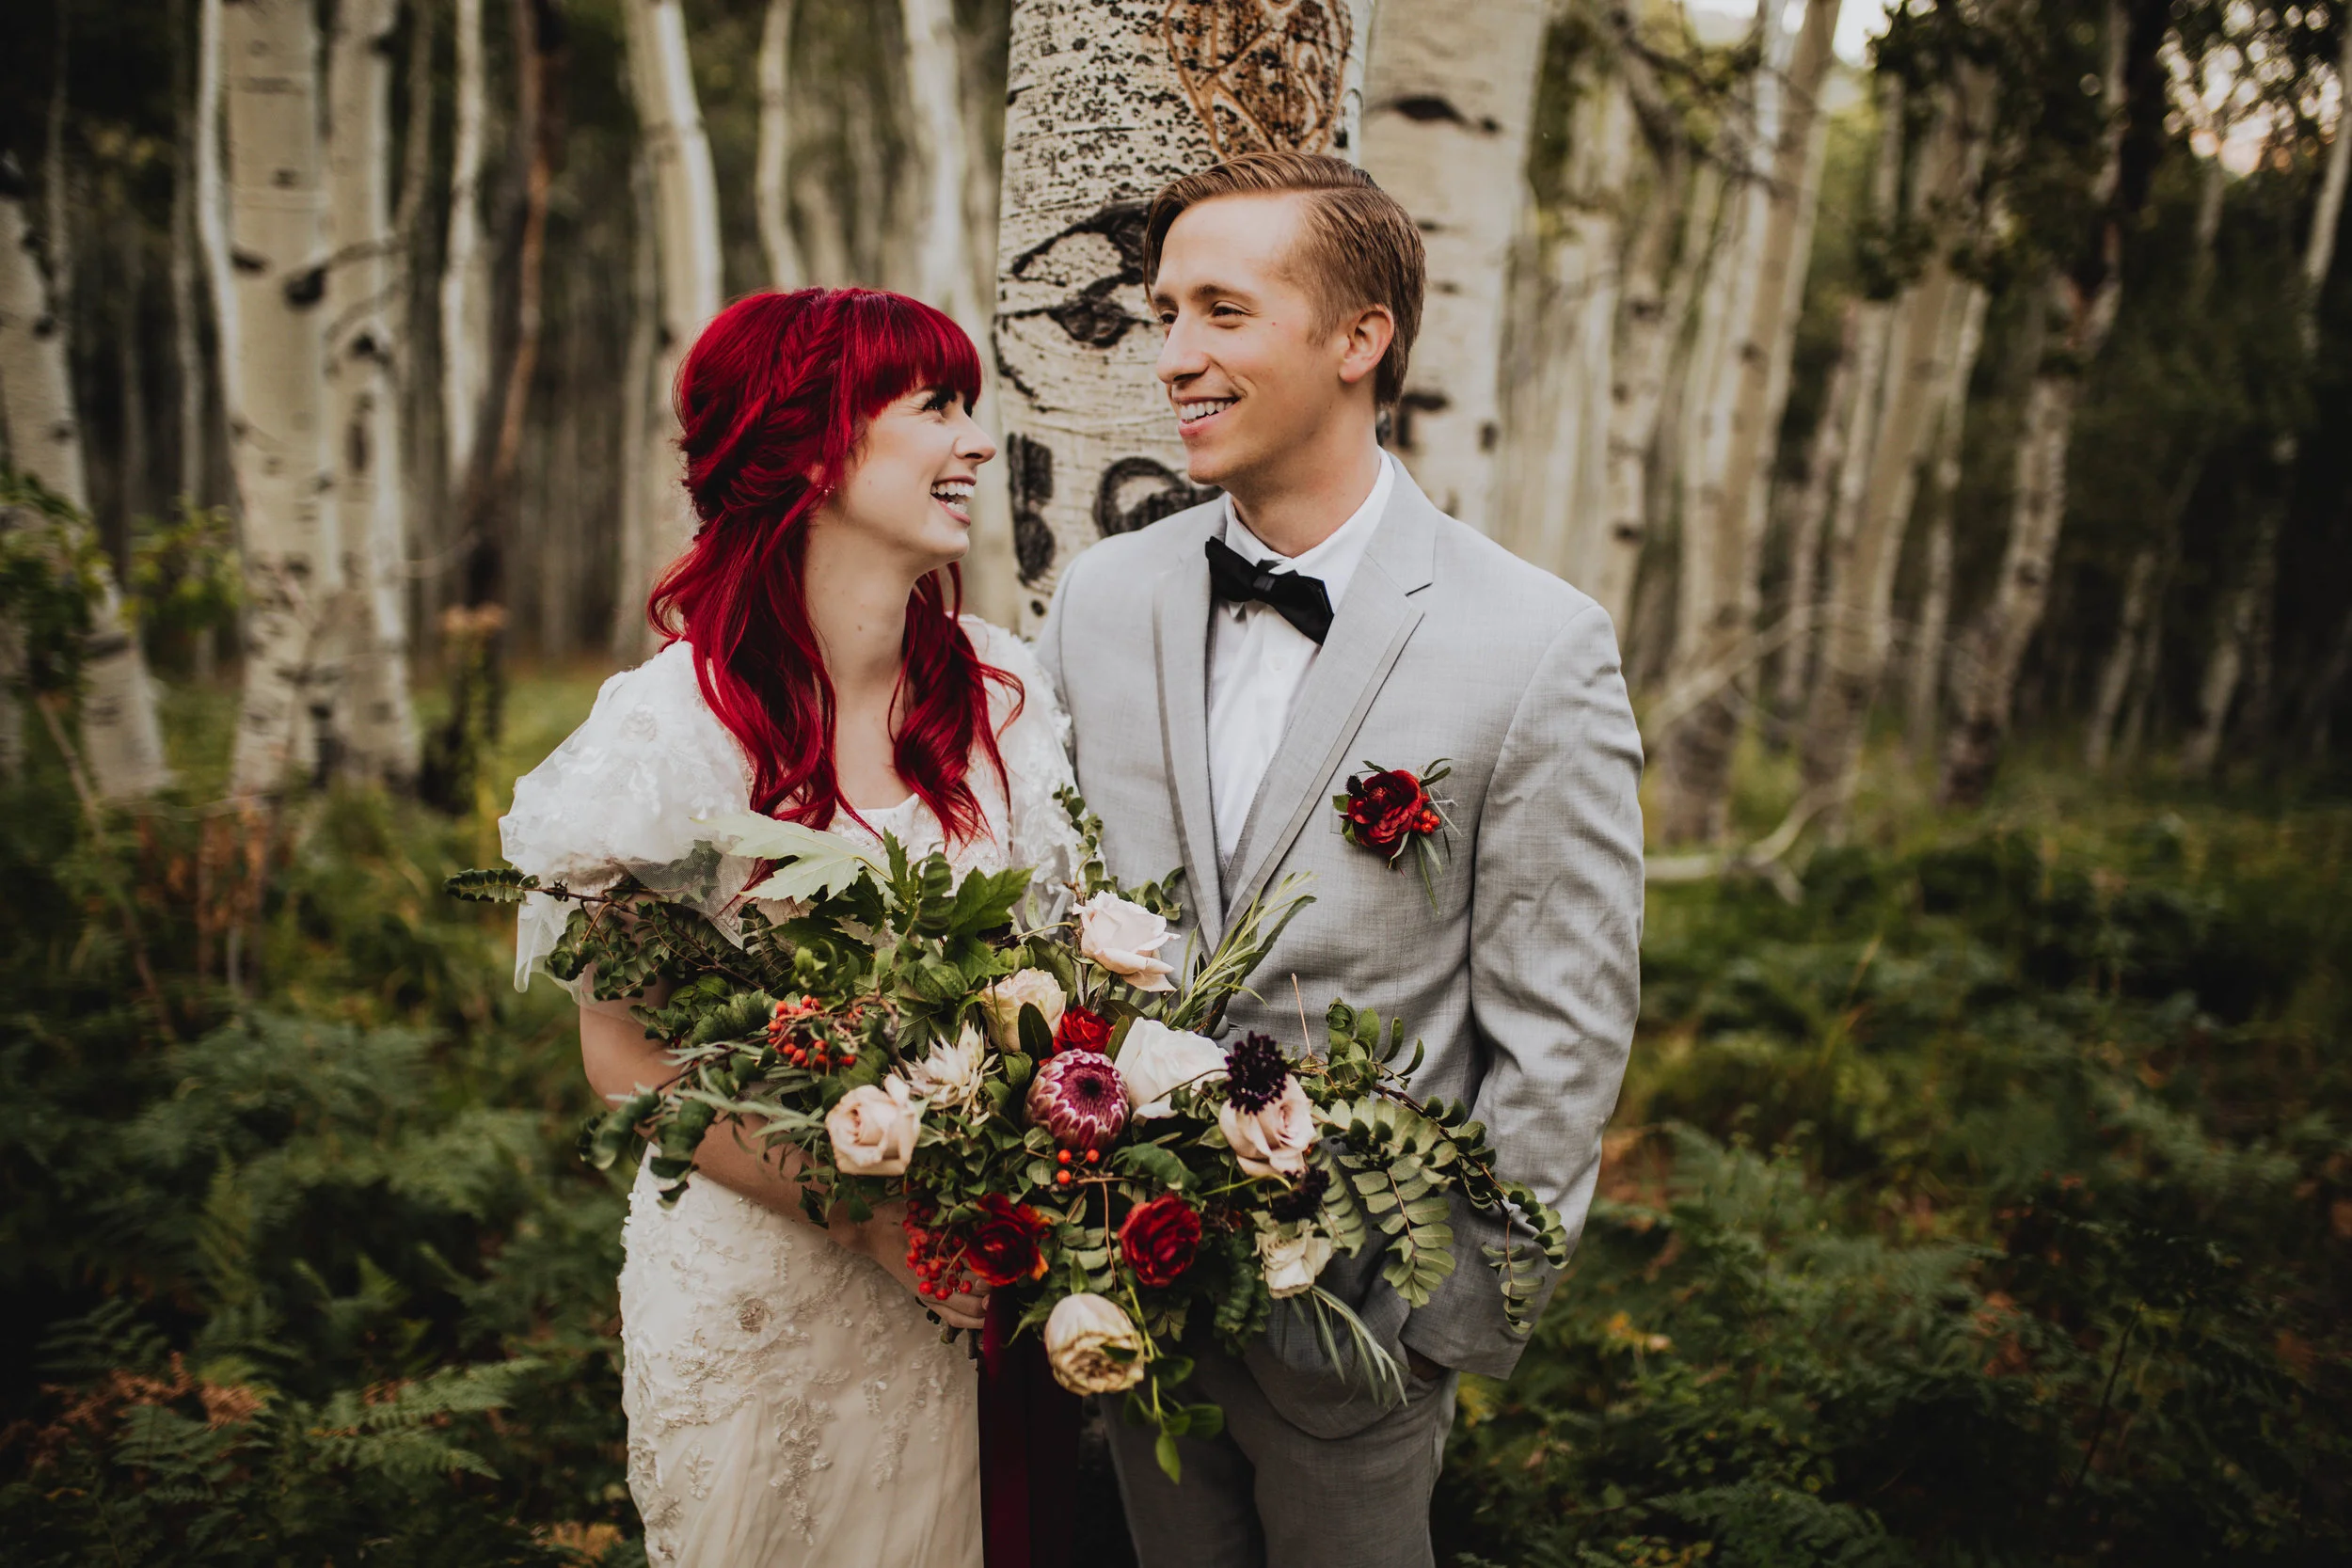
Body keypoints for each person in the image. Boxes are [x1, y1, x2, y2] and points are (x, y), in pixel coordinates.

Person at [1038, 151, 1645, 1568]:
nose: (1176, 356)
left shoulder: (1534, 643)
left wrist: (1444, 1327)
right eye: (1165, 312)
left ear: (1360, 337)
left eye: (1224, 313)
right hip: (1127, 1315)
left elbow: (1564, 1024)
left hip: (1365, 1340)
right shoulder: (1102, 599)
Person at [499, 288, 1078, 1568]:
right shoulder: (666, 738)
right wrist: (874, 1223)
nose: (977, 440)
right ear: (812, 447)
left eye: (970, 406)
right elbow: (628, 1064)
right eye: (936, 406)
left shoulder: (1002, 697)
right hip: (758, 1295)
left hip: (969, 1293)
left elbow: (1057, 981)